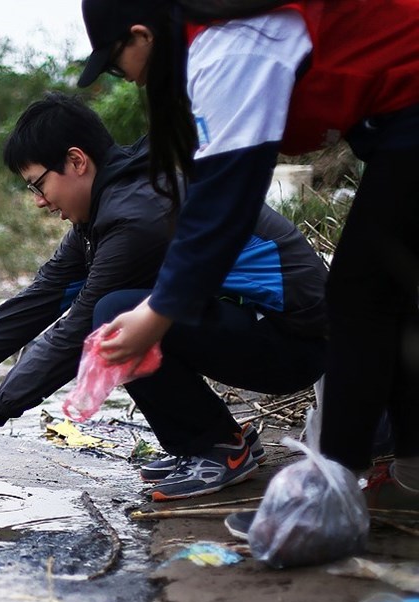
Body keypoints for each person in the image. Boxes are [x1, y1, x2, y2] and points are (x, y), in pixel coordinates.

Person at [0, 92, 327, 501]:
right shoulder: (110, 207)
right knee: (114, 310)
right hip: (255, 330)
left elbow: (76, 329)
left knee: (112, 315)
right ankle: (218, 440)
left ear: (76, 161)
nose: (39, 201)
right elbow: (39, 301)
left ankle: (218, 449)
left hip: (294, 343)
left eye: (38, 183)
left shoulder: (138, 215)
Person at [77, 0, 419, 509]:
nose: (126, 80)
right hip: (397, 124)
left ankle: (331, 498)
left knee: (361, 294)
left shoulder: (226, 43)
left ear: (141, 36)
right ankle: (403, 469)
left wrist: (157, 312)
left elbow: (225, 201)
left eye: (114, 62)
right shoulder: (220, 43)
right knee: (384, 290)